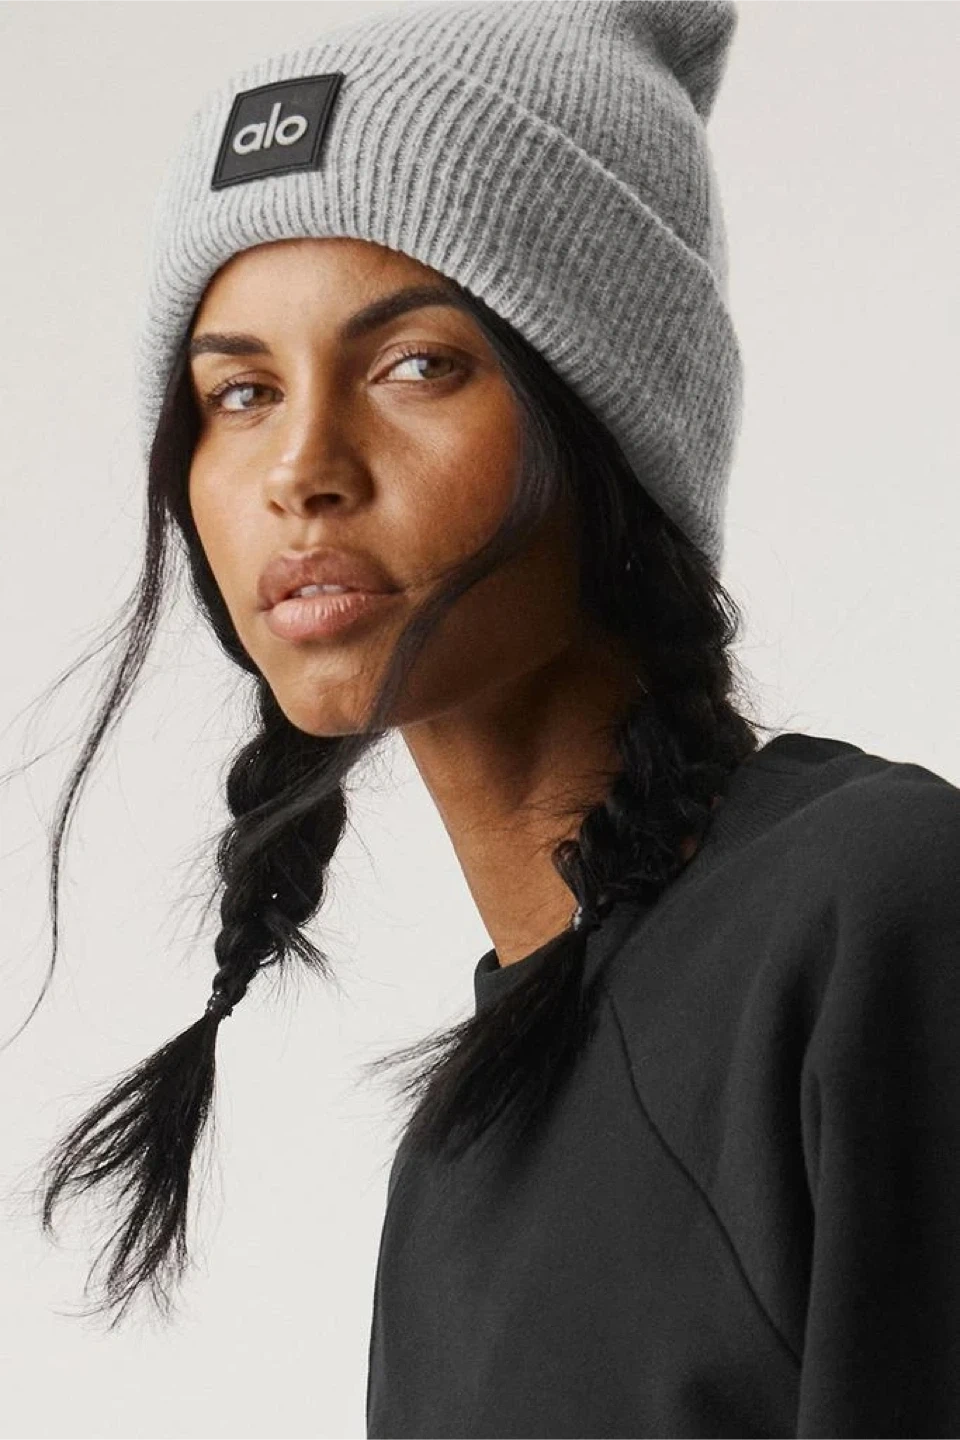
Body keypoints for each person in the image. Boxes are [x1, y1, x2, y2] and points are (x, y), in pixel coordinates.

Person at [12, 0, 959, 1434]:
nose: (301, 468)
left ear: (611, 421)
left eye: (416, 365)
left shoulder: (875, 914)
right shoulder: (461, 1156)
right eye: (240, 392)